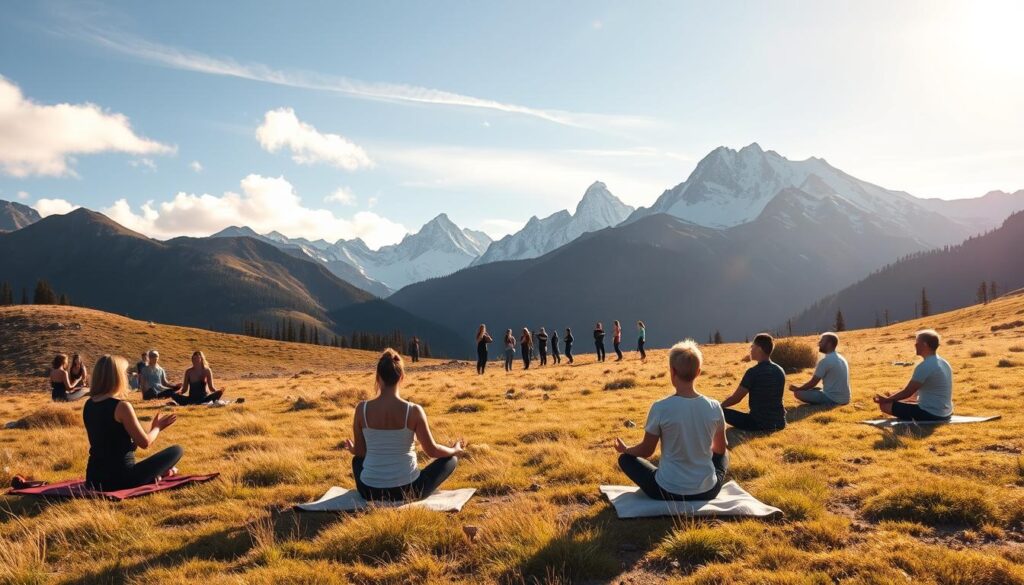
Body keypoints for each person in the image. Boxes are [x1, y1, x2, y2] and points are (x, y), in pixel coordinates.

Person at [341, 349, 466, 501]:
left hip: (370, 492)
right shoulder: (413, 411)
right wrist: (454, 449)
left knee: (357, 461)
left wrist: (352, 448)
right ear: (402, 377)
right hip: (408, 491)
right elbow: (432, 451)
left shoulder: (362, 409)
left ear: (378, 377)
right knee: (450, 459)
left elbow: (360, 452)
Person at [615, 340, 729, 501]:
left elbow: (647, 451)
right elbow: (719, 449)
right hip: (707, 491)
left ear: (672, 372)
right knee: (724, 455)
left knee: (625, 459)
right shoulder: (714, 406)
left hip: (666, 490)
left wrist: (626, 449)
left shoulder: (661, 407)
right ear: (698, 372)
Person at [84, 355, 183, 490]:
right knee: (177, 450)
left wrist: (133, 440)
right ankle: (160, 474)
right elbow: (145, 443)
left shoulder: (88, 404)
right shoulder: (121, 406)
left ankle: (158, 475)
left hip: (93, 479)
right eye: (124, 373)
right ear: (117, 377)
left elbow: (108, 443)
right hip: (121, 479)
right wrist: (157, 428)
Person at [874, 329, 953, 421]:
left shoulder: (925, 365)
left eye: (917, 342)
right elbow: (915, 394)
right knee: (902, 400)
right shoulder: (943, 362)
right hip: (946, 412)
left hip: (931, 413)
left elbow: (908, 392)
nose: (915, 345)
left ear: (925, 345)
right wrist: (893, 397)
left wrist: (886, 400)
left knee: (885, 406)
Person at [720, 333, 786, 432]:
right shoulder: (780, 370)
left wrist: (718, 407)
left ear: (759, 349)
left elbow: (736, 399)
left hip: (758, 423)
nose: (750, 349)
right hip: (780, 423)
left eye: (752, 346)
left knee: (721, 412)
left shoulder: (753, 372)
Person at [789, 333, 850, 406]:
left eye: (821, 341)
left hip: (832, 399)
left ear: (829, 344)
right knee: (816, 388)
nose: (819, 343)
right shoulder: (842, 358)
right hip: (846, 399)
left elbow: (812, 383)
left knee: (798, 393)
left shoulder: (825, 361)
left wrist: (798, 389)